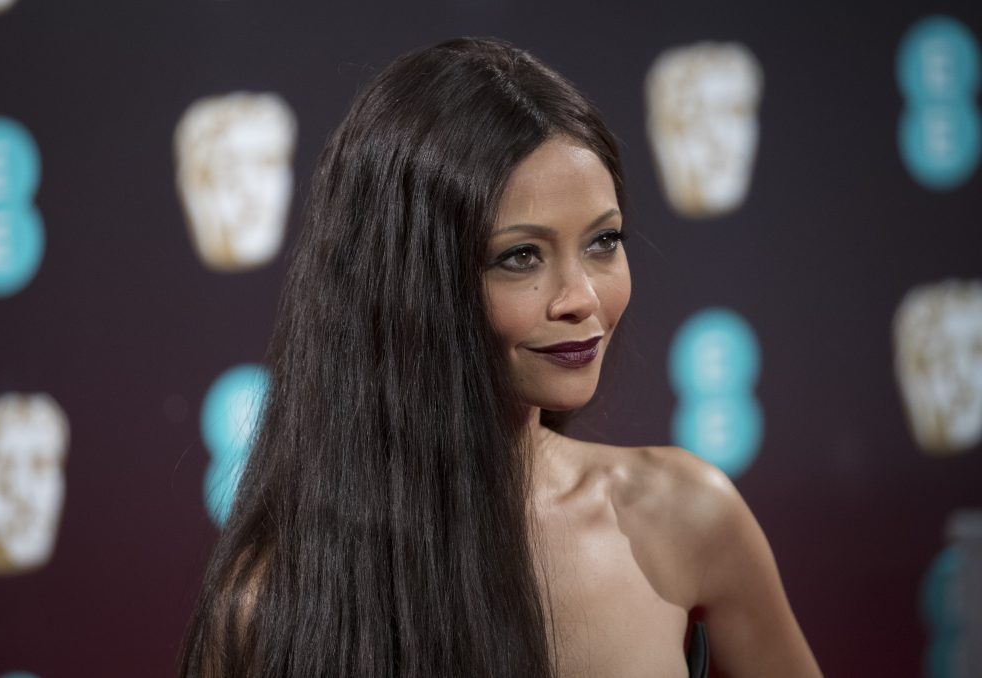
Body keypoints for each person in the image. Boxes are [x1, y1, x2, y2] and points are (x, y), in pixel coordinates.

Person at [178, 36, 823, 678]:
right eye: (521, 257)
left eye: (604, 241)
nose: (581, 298)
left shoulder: (685, 515)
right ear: (408, 284)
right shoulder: (275, 605)